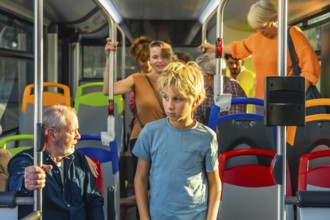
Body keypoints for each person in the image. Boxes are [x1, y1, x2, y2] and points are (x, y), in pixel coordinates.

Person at [133, 61, 221, 219]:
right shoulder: (150, 132)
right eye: (165, 97)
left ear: (195, 100)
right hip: (159, 216)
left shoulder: (207, 137)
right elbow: (140, 178)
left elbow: (214, 183)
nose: (169, 106)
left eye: (177, 99)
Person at [103, 40, 173, 219]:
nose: (159, 61)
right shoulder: (138, 80)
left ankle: (127, 203)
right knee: (145, 184)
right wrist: (109, 59)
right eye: (155, 57)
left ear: (170, 58)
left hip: (170, 139)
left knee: (165, 187)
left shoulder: (177, 80)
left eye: (163, 56)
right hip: (141, 139)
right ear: (149, 59)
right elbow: (108, 90)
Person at [199, 0, 320, 102]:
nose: (260, 31)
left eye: (262, 27)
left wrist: (296, 96)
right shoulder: (256, 39)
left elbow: (311, 67)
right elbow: (236, 48)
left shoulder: (293, 34)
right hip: (261, 101)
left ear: (275, 18)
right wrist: (215, 47)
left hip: (286, 102)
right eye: (257, 28)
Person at [7, 104, 104, 219]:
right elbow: (15, 181)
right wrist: (26, 181)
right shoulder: (26, 159)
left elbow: (93, 200)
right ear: (52, 135)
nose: (78, 136)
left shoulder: (79, 159)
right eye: (73, 131)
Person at [194, 54, 247, 125]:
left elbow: (235, 123)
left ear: (208, 76)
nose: (197, 77)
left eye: (199, 74)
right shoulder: (203, 89)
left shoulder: (233, 90)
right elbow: (197, 117)